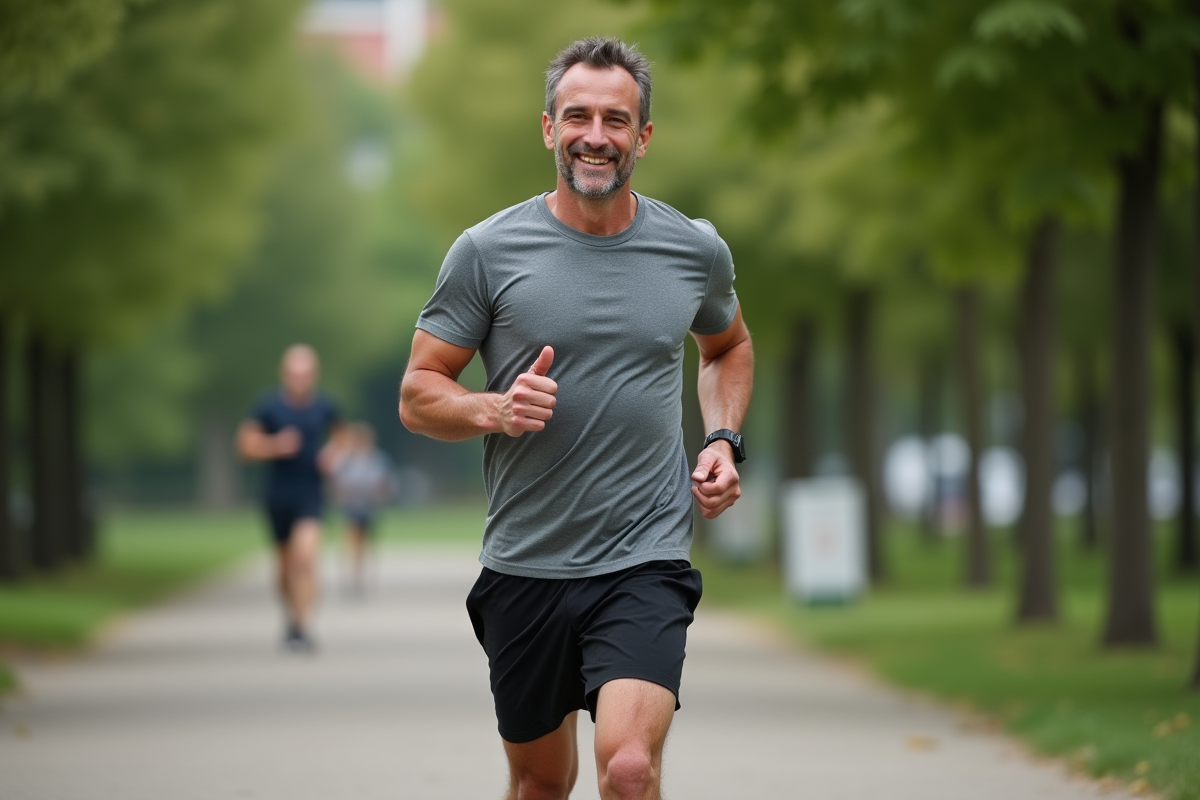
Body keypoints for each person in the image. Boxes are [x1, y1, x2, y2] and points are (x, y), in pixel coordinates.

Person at [398, 37, 753, 800]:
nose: (597, 136)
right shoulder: (487, 252)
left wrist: (723, 440)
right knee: (540, 784)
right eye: (578, 117)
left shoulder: (693, 250)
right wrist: (494, 408)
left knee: (628, 768)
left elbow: (727, 348)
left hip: (644, 557)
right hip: (526, 562)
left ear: (643, 137)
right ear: (548, 129)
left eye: (616, 120)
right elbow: (419, 393)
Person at [237, 344, 341, 652]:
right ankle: (291, 618)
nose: (300, 379)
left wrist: (332, 454)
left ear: (314, 374)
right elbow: (244, 445)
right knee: (284, 568)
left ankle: (303, 626)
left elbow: (342, 437)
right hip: (278, 494)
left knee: (305, 558)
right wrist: (275, 445)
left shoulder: (325, 406)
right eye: (295, 373)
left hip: (311, 492)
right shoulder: (268, 407)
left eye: (305, 373)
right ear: (284, 374)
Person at [330, 422, 394, 594]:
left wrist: (379, 493)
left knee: (365, 543)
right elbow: (337, 481)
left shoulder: (378, 459)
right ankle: (353, 575)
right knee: (351, 541)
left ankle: (360, 575)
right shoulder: (346, 459)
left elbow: (386, 482)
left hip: (369, 506)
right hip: (351, 506)